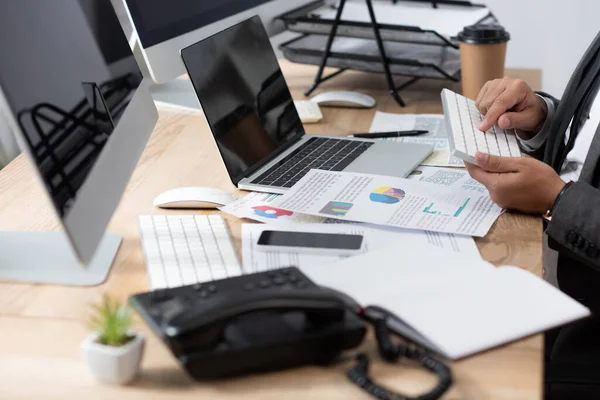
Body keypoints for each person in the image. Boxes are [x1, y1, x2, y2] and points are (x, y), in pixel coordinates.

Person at [465, 32, 600, 399]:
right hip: (538, 267)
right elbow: (588, 145)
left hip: (581, 339)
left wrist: (558, 200)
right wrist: (540, 120)